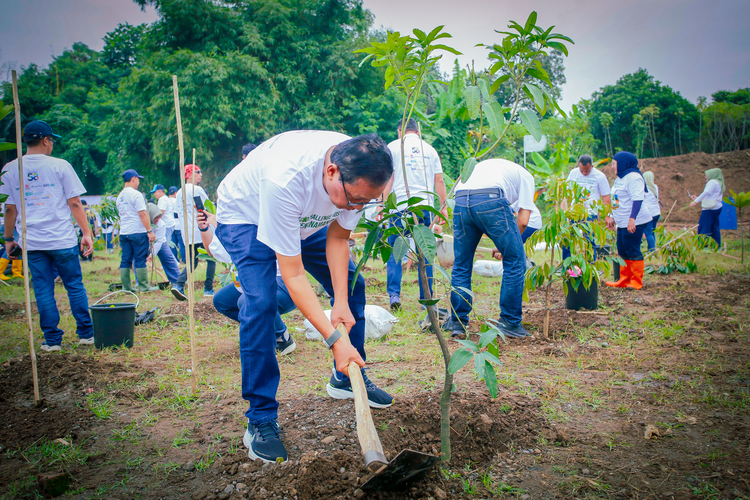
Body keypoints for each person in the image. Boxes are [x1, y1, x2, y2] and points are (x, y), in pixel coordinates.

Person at [215, 131, 394, 463]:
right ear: (331, 172)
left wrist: (340, 302)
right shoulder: (285, 179)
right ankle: (260, 417)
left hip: (304, 220)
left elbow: (338, 238)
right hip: (247, 216)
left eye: (366, 202)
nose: (357, 207)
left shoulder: (361, 176)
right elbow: (294, 275)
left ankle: (346, 378)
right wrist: (334, 340)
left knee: (352, 285)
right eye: (355, 199)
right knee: (261, 303)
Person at [1, 120, 95, 351]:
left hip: (32, 242)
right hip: (61, 239)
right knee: (74, 285)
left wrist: (9, 239)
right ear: (45, 140)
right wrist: (86, 232)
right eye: (51, 140)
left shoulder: (10, 169)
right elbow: (75, 203)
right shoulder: (60, 166)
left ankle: (52, 341)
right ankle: (86, 334)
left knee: (43, 289)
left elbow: (9, 209)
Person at [445, 158, 533, 339]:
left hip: (460, 199)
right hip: (490, 197)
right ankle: (510, 322)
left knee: (461, 264)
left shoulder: (498, 167)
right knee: (515, 260)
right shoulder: (526, 176)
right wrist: (508, 246)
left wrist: (501, 243)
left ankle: (457, 322)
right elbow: (523, 220)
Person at [196, 208, 296, 355]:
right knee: (222, 300)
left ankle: (283, 337)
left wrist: (222, 227)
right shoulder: (232, 229)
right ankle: (264, 329)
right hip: (251, 283)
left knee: (247, 300)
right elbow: (213, 251)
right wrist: (204, 228)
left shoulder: (259, 220)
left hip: (282, 283)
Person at [383, 118, 448, 311]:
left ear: (400, 131)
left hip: (399, 207)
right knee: (425, 252)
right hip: (424, 207)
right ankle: (426, 299)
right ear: (417, 132)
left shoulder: (393, 147)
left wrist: (382, 205)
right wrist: (443, 206)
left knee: (395, 251)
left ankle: (394, 295)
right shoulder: (430, 149)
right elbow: (439, 181)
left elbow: (388, 178)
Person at [605, 151, 652, 290]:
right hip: (622, 221)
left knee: (632, 249)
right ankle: (624, 279)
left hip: (634, 220)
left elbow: (637, 199)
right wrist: (611, 215)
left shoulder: (633, 177)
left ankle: (636, 281)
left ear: (623, 163)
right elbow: (616, 200)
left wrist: (632, 219)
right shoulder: (620, 178)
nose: (612, 167)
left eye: (614, 164)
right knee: (622, 249)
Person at [172, 164, 216, 299]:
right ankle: (208, 288)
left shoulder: (179, 192)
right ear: (189, 174)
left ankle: (178, 284)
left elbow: (176, 213)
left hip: (188, 232)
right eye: (198, 172)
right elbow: (207, 208)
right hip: (201, 230)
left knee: (192, 262)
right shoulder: (196, 189)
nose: (200, 174)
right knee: (211, 258)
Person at [562, 155, 613, 260]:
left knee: (589, 241)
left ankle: (590, 264)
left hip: (590, 213)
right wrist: (563, 211)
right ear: (578, 166)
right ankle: (567, 266)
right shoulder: (573, 173)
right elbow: (566, 193)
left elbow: (606, 197)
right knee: (567, 239)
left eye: (587, 171)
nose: (584, 173)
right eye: (582, 170)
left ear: (592, 166)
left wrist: (607, 215)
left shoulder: (600, 176)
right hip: (574, 213)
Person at [116, 169, 159, 292]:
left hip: (124, 232)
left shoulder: (120, 196)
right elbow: (142, 214)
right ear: (134, 179)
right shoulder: (136, 194)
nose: (138, 182)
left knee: (125, 259)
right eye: (138, 179)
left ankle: (126, 287)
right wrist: (149, 230)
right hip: (137, 232)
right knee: (140, 258)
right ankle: (144, 286)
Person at [147, 202, 181, 285]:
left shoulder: (161, 224)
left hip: (160, 241)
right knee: (139, 260)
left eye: (159, 217)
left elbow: (159, 241)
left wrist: (152, 254)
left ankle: (177, 281)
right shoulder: (141, 223)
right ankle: (141, 283)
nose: (157, 220)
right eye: (155, 218)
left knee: (168, 258)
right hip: (144, 242)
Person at [690, 168, 724, 246]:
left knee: (704, 227)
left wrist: (696, 201)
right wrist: (698, 198)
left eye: (707, 175)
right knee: (714, 227)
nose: (706, 177)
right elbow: (712, 196)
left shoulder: (712, 182)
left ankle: (702, 245)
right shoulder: (719, 183)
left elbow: (706, 192)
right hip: (717, 207)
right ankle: (716, 245)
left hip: (709, 209)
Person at [152, 184, 176, 251]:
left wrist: (154, 222)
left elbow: (161, 212)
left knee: (165, 244)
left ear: (159, 191)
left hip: (167, 224)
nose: (154, 194)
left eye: (155, 192)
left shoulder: (162, 199)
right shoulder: (164, 198)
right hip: (169, 223)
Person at [642, 171, 661, 252]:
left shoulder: (642, 188)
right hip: (656, 212)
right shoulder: (655, 187)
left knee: (648, 233)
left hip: (648, 213)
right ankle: (651, 249)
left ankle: (652, 251)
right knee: (652, 232)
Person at [168, 186, 185, 263]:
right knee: (181, 243)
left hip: (171, 225)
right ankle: (184, 259)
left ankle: (175, 259)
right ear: (176, 193)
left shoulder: (166, 201)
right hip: (178, 225)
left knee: (172, 244)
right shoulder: (177, 201)